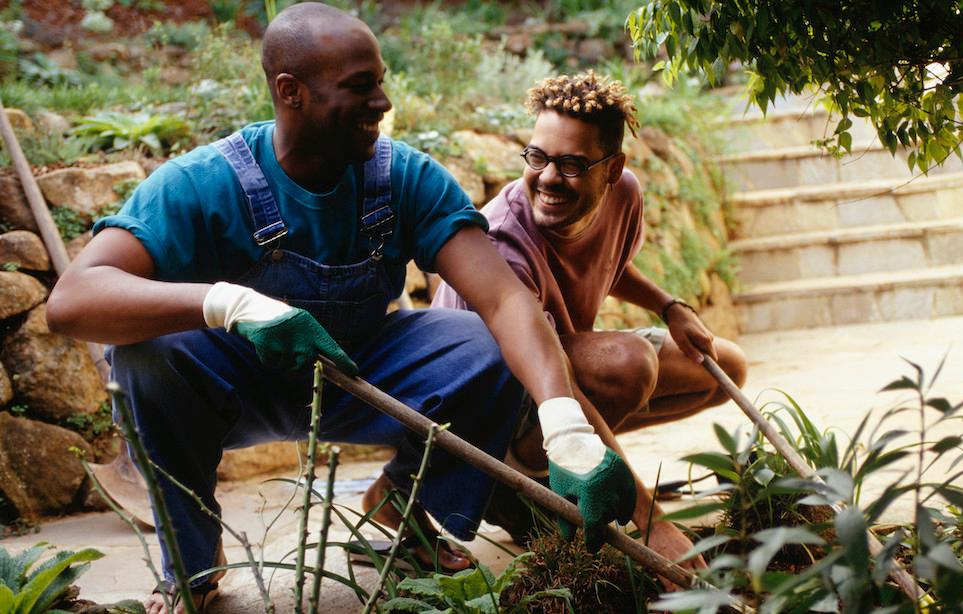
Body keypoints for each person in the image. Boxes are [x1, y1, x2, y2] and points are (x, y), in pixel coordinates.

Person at [47, 7, 638, 613]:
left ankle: (408, 511)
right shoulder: (202, 183)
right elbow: (72, 301)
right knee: (150, 352)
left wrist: (566, 426)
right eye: (359, 86)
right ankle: (191, 566)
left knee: (485, 344)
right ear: (290, 92)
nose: (381, 101)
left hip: (359, 370)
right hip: (238, 383)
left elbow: (504, 297)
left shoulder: (405, 178)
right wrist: (231, 303)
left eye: (380, 81)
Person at [433, 71, 748, 559]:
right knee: (629, 364)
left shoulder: (624, 195)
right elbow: (558, 384)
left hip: (556, 363)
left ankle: (569, 474)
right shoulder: (503, 242)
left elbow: (608, 261)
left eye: (573, 164)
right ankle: (528, 486)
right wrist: (650, 521)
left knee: (723, 366)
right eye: (537, 157)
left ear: (613, 168)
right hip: (496, 408)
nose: (549, 178)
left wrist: (669, 306)